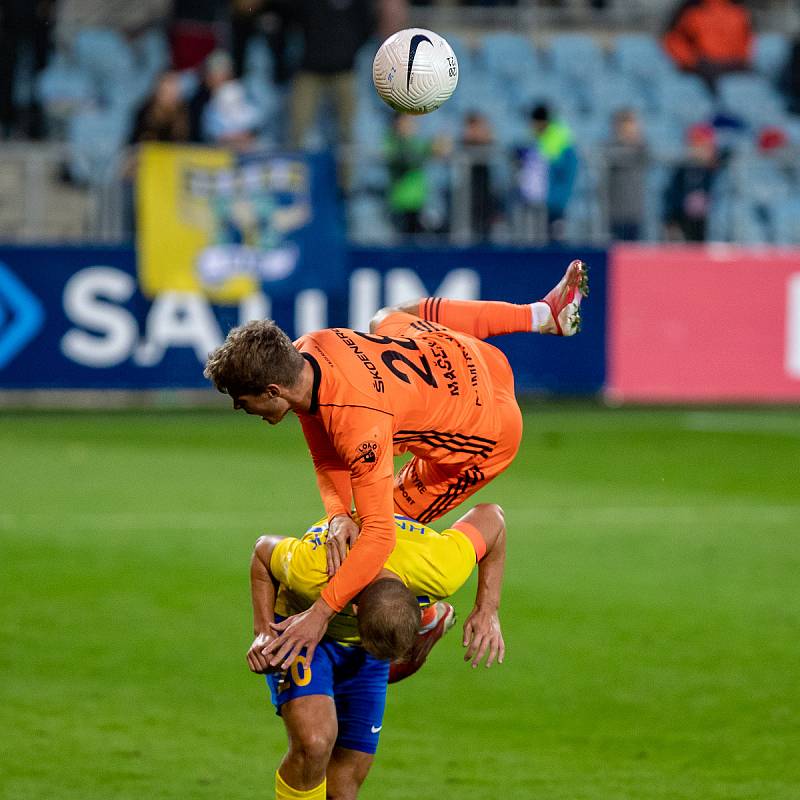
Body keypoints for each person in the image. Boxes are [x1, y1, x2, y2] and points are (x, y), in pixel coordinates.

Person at [204, 259, 588, 671]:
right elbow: (325, 448)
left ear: (272, 390)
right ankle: (541, 315)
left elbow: (381, 538)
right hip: (476, 359)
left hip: (485, 435)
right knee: (390, 317)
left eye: (243, 400)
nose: (238, 407)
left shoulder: (358, 423)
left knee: (372, 538)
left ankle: (422, 618)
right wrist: (336, 516)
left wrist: (318, 617)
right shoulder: (308, 350)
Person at [247, 502, 507, 800]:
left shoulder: (439, 566)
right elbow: (262, 551)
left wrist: (487, 608)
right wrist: (264, 632)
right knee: (314, 744)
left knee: (343, 786)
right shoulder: (314, 570)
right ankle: (424, 632)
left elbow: (492, 516)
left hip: (367, 642)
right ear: (354, 608)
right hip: (305, 633)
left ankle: (424, 628)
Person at [515, 103, 578, 244]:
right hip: (547, 200)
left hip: (553, 201)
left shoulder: (555, 140)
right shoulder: (552, 137)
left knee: (553, 240)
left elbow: (559, 171)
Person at [663, 0, 753, 92]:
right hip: (702, 74)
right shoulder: (690, 8)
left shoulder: (738, 8)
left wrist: (743, 60)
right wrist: (693, 63)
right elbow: (674, 40)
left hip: (736, 71)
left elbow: (748, 39)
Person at [664, 122, 719, 242]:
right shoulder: (681, 170)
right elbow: (672, 196)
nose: (697, 149)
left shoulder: (717, 170)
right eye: (694, 145)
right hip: (686, 223)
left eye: (702, 145)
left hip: (707, 224)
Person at [604, 108, 648, 242]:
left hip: (635, 211)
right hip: (615, 211)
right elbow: (609, 157)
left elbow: (644, 156)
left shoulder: (641, 147)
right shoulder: (609, 146)